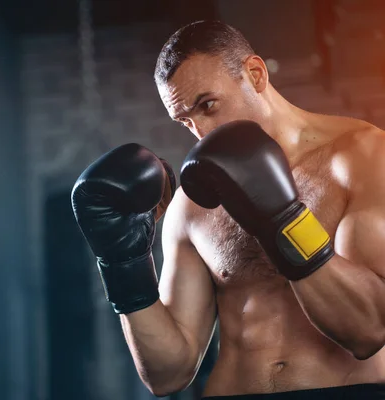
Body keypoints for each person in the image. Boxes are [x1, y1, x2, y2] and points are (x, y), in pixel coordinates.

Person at [71, 20, 385, 399]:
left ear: (255, 74)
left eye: (208, 105)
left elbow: (367, 330)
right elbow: (168, 373)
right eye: (186, 119)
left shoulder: (361, 157)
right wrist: (124, 263)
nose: (202, 133)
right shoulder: (192, 204)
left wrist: (283, 218)